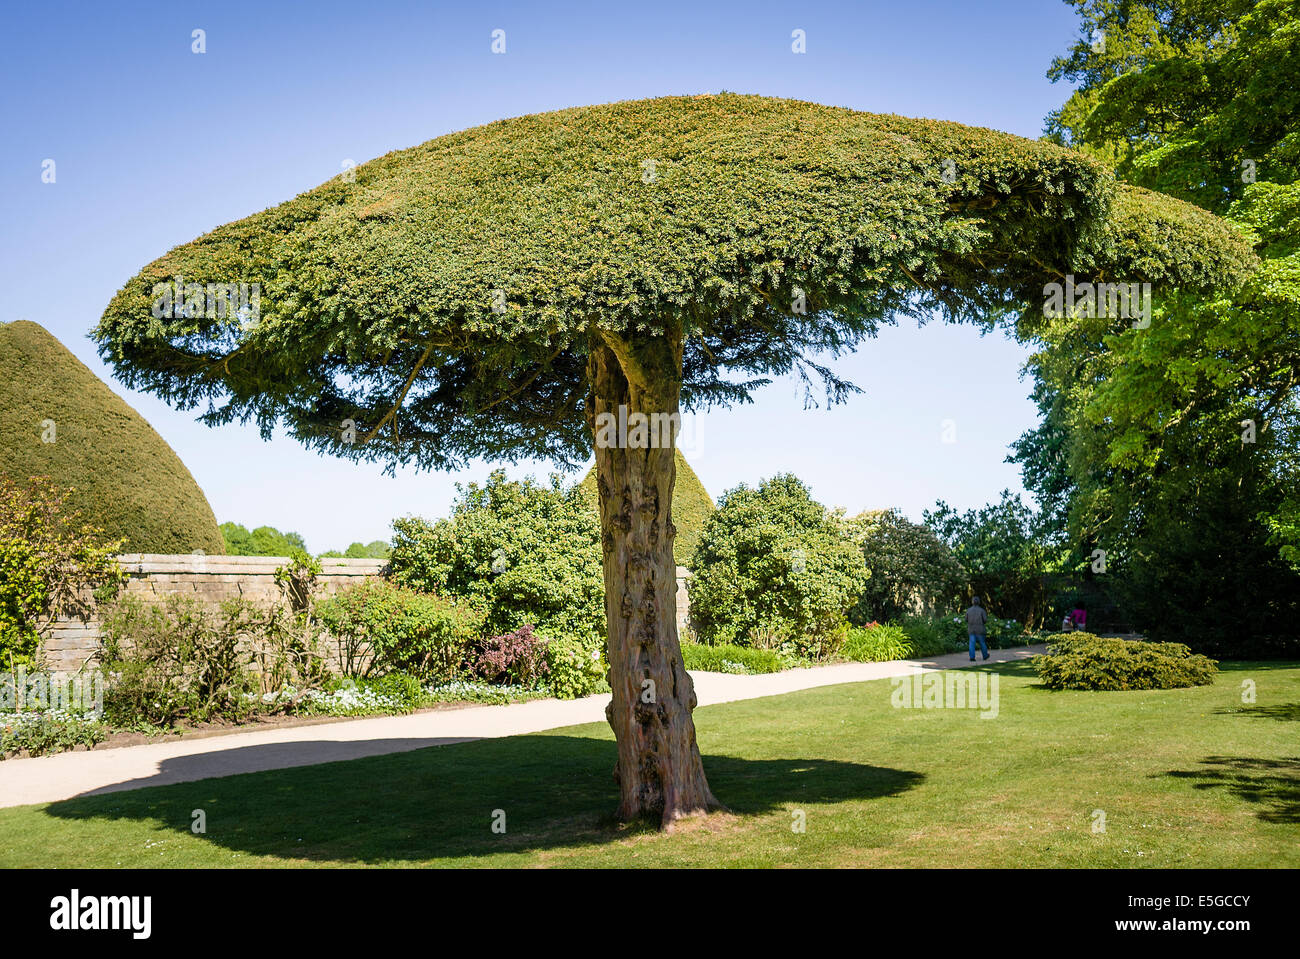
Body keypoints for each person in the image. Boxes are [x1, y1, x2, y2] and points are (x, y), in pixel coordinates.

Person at [966, 595, 990, 662]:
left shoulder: (968, 610)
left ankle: (972, 657)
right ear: (979, 602)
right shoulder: (982, 610)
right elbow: (985, 620)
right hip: (980, 629)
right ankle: (985, 656)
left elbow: (966, 619)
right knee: (982, 643)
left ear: (972, 602)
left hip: (971, 629)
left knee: (971, 643)